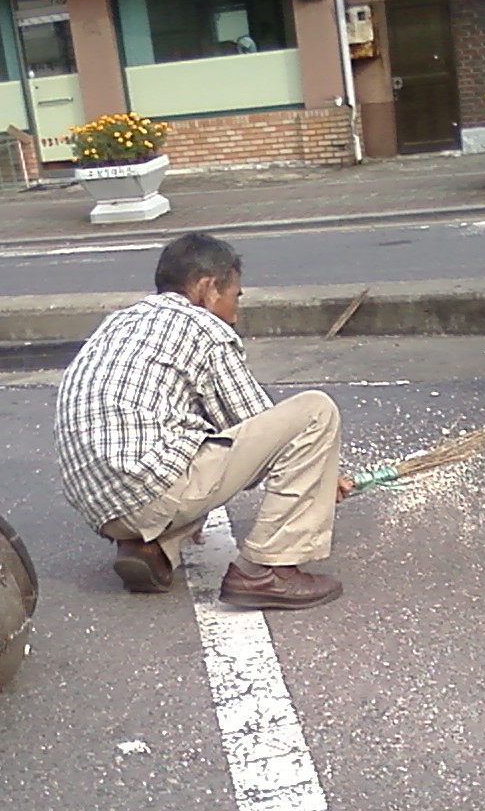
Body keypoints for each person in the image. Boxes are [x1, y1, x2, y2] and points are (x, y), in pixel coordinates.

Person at [55, 232, 351, 610]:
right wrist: (322, 478)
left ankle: (149, 546)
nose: (236, 311)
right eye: (235, 296)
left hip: (101, 507)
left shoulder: (119, 322)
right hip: (150, 491)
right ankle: (267, 570)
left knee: (192, 437)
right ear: (208, 287)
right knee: (315, 412)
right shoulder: (203, 328)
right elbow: (257, 424)